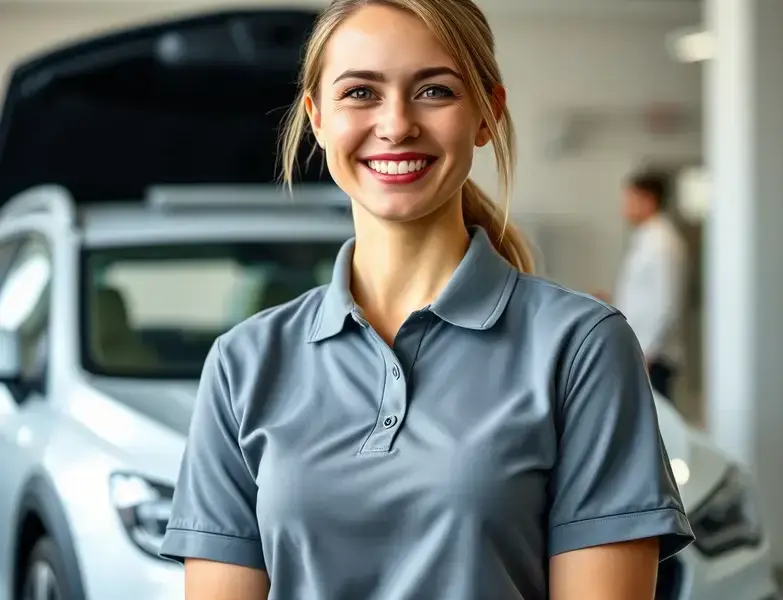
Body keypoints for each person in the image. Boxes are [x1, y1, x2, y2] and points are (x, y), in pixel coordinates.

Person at [160, 1, 694, 599]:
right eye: (360, 93)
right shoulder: (243, 363)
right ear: (316, 117)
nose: (396, 124)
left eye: (435, 91)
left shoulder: (581, 348)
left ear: (488, 114)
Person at [611, 170, 689, 401]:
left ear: (648, 201)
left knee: (657, 425)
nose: (624, 207)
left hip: (654, 356)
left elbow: (666, 305)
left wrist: (647, 352)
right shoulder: (648, 238)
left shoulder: (662, 242)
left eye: (630, 200)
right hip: (644, 350)